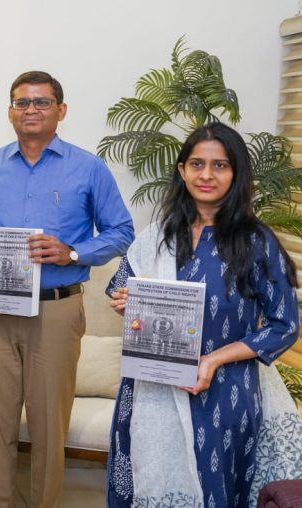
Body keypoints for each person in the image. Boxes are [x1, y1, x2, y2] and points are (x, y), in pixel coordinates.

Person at [0, 70, 134, 507]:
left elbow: (121, 231)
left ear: (61, 110)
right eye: (22, 102)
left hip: (57, 311)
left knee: (49, 425)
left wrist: (72, 253)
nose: (31, 110)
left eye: (41, 102)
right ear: (10, 112)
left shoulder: (88, 167)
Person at [105, 122, 302, 507]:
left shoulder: (256, 242)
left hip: (225, 392)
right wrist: (127, 300)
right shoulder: (158, 236)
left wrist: (212, 360)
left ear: (236, 173)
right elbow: (119, 286)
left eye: (220, 165)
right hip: (153, 388)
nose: (206, 175)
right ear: (182, 170)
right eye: (197, 164)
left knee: (215, 489)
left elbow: (285, 325)